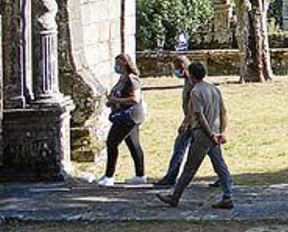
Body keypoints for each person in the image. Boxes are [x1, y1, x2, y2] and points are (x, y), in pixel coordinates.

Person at [155, 62, 235, 210]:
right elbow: (223, 112)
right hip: (215, 134)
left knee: (190, 168)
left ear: (191, 75)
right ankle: (228, 195)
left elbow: (199, 116)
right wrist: (221, 132)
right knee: (220, 165)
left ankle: (175, 197)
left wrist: (209, 133)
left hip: (203, 134)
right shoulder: (214, 89)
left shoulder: (196, 91)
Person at [99, 53, 147, 186]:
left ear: (125, 64)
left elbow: (135, 99)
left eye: (118, 64)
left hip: (129, 117)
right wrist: (112, 102)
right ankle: (140, 175)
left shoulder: (132, 79)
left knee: (112, 143)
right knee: (133, 145)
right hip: (126, 116)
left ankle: (109, 176)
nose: (116, 67)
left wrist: (116, 100)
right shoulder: (122, 79)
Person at [150, 55, 197, 190]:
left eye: (176, 68)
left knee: (180, 148)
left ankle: (170, 178)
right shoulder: (188, 81)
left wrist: (185, 123)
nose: (175, 71)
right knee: (211, 151)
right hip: (194, 121)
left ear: (183, 67)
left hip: (194, 122)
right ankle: (224, 177)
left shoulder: (192, 82)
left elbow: (194, 105)